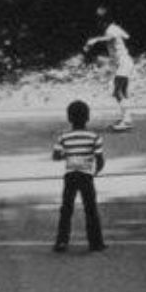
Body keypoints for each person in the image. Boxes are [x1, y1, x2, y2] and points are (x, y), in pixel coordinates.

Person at [52, 100, 107, 253]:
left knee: (66, 208)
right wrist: (95, 171)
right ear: (88, 117)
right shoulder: (94, 137)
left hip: (70, 175)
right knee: (90, 209)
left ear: (69, 118)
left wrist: (69, 155)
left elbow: (56, 156)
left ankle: (62, 241)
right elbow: (100, 159)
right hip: (86, 175)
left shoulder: (64, 137)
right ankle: (96, 243)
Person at [83, 6, 134, 130]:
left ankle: (127, 121)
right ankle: (126, 118)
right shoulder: (115, 28)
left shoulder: (111, 30)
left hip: (123, 63)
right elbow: (127, 36)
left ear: (103, 20)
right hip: (124, 62)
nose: (98, 24)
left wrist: (94, 40)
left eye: (99, 21)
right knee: (123, 91)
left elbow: (109, 37)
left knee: (117, 92)